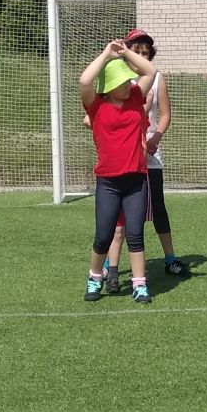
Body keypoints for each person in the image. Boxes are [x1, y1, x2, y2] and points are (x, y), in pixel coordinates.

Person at [104, 27, 185, 289]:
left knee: (158, 207)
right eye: (137, 51)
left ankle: (170, 258)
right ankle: (108, 265)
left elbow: (165, 115)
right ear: (127, 53)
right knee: (118, 215)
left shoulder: (157, 77)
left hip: (148, 156)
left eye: (146, 52)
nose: (142, 55)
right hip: (124, 156)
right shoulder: (118, 79)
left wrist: (154, 139)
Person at [80, 38, 157, 304]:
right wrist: (106, 54)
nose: (129, 85)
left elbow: (150, 71)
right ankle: (94, 277)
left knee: (135, 234)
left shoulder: (136, 97)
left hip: (136, 180)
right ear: (111, 86)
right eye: (123, 82)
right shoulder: (96, 106)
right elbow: (84, 81)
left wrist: (125, 53)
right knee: (103, 235)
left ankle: (139, 284)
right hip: (108, 182)